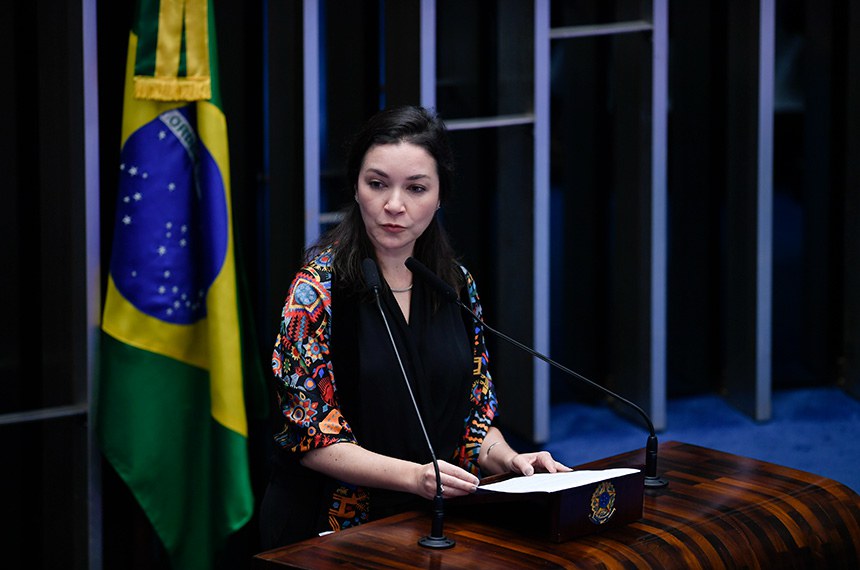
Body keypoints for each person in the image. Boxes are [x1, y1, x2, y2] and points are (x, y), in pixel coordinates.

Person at [259, 105, 569, 548]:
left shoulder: (455, 286)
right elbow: (309, 435)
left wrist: (511, 460)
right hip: (330, 530)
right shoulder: (317, 291)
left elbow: (474, 422)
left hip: (432, 523)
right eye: (377, 184)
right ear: (355, 186)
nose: (394, 205)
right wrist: (417, 477)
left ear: (441, 195)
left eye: (416, 188)